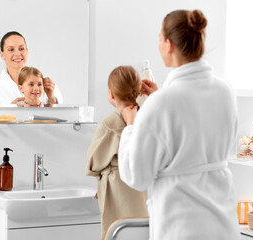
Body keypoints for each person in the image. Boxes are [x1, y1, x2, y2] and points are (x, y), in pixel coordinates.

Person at [118, 9, 240, 240]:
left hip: (182, 225)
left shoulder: (161, 104)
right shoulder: (225, 91)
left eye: (159, 40)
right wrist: (161, 96)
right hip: (223, 223)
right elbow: (195, 125)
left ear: (169, 45)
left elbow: (137, 176)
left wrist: (132, 126)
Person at [86, 66, 148, 240]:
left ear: (111, 94)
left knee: (119, 233)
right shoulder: (147, 118)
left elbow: (92, 164)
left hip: (118, 189)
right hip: (143, 188)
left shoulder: (108, 125)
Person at [0, 31, 63, 106]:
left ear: (27, 51)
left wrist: (52, 98)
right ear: (2, 54)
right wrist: (10, 111)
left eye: (21, 49)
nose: (17, 53)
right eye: (11, 50)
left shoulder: (45, 85)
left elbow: (61, 117)